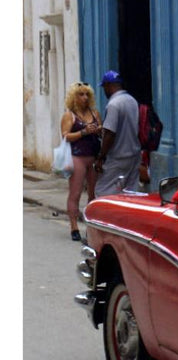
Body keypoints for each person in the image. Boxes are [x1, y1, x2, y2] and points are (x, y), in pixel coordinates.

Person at [59, 81, 102, 241]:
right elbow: (65, 135)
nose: (84, 98)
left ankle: (91, 226)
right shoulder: (69, 115)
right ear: (74, 97)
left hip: (93, 156)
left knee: (93, 193)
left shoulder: (95, 113)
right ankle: (74, 226)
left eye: (87, 95)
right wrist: (83, 132)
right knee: (75, 192)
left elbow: (102, 130)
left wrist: (98, 130)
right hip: (77, 157)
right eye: (81, 94)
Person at [93, 70, 141, 197]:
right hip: (133, 155)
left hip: (117, 157)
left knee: (103, 192)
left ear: (109, 85)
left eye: (104, 87)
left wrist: (101, 156)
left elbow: (110, 133)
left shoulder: (114, 104)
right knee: (129, 192)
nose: (104, 91)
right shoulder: (132, 101)